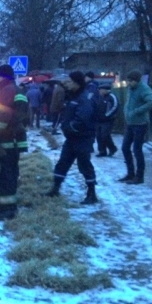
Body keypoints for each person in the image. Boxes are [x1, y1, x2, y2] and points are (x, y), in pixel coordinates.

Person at [44, 71, 98, 204]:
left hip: (83, 138)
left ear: (77, 83)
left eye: (70, 82)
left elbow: (83, 118)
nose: (67, 84)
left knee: (84, 165)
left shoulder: (84, 98)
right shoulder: (74, 96)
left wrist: (70, 127)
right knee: (63, 162)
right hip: (72, 138)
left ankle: (91, 194)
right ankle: (55, 188)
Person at [0, 64, 28, 220]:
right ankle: (7, 206)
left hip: (6, 141)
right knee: (10, 173)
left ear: (2, 77)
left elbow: (1, 119)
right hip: (15, 140)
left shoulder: (6, 91)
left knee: (5, 174)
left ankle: (9, 209)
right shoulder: (17, 90)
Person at [118, 70, 152, 185]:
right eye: (127, 81)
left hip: (140, 124)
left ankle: (139, 176)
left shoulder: (144, 89)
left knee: (137, 150)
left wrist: (136, 112)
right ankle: (130, 173)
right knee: (125, 148)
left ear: (136, 80)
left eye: (130, 81)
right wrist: (127, 112)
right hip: (130, 123)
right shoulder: (131, 89)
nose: (128, 83)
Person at [94, 83, 119, 157]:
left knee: (104, 135)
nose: (99, 91)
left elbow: (115, 107)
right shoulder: (99, 97)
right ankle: (102, 151)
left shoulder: (112, 97)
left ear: (105, 90)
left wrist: (106, 115)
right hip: (99, 119)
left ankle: (112, 148)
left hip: (108, 120)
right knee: (98, 135)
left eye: (100, 90)